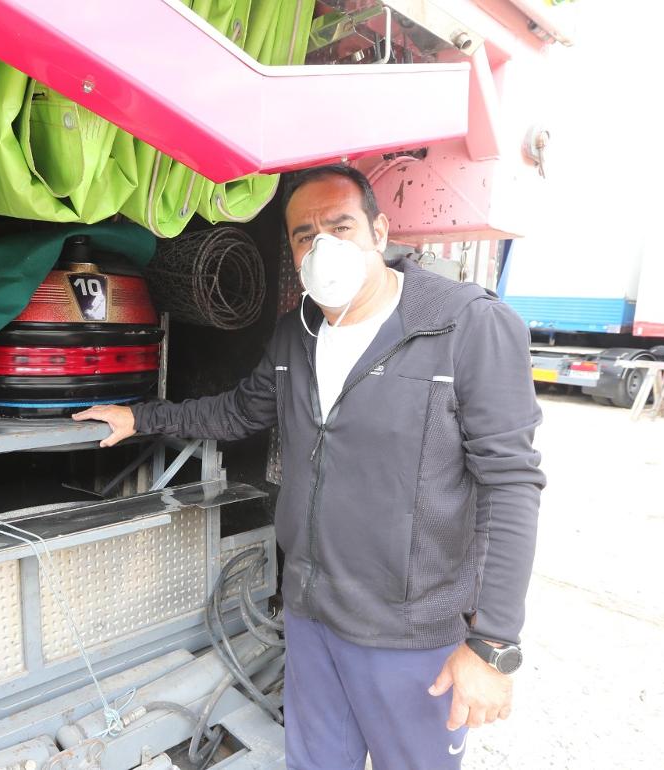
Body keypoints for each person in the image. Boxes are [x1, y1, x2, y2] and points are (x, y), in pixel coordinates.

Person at [74, 164, 545, 770]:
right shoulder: (298, 333)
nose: (322, 246)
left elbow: (512, 483)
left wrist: (493, 644)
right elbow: (238, 411)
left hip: (408, 634)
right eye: (303, 234)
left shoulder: (466, 325)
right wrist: (142, 418)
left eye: (340, 225)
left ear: (379, 231)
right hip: (311, 613)